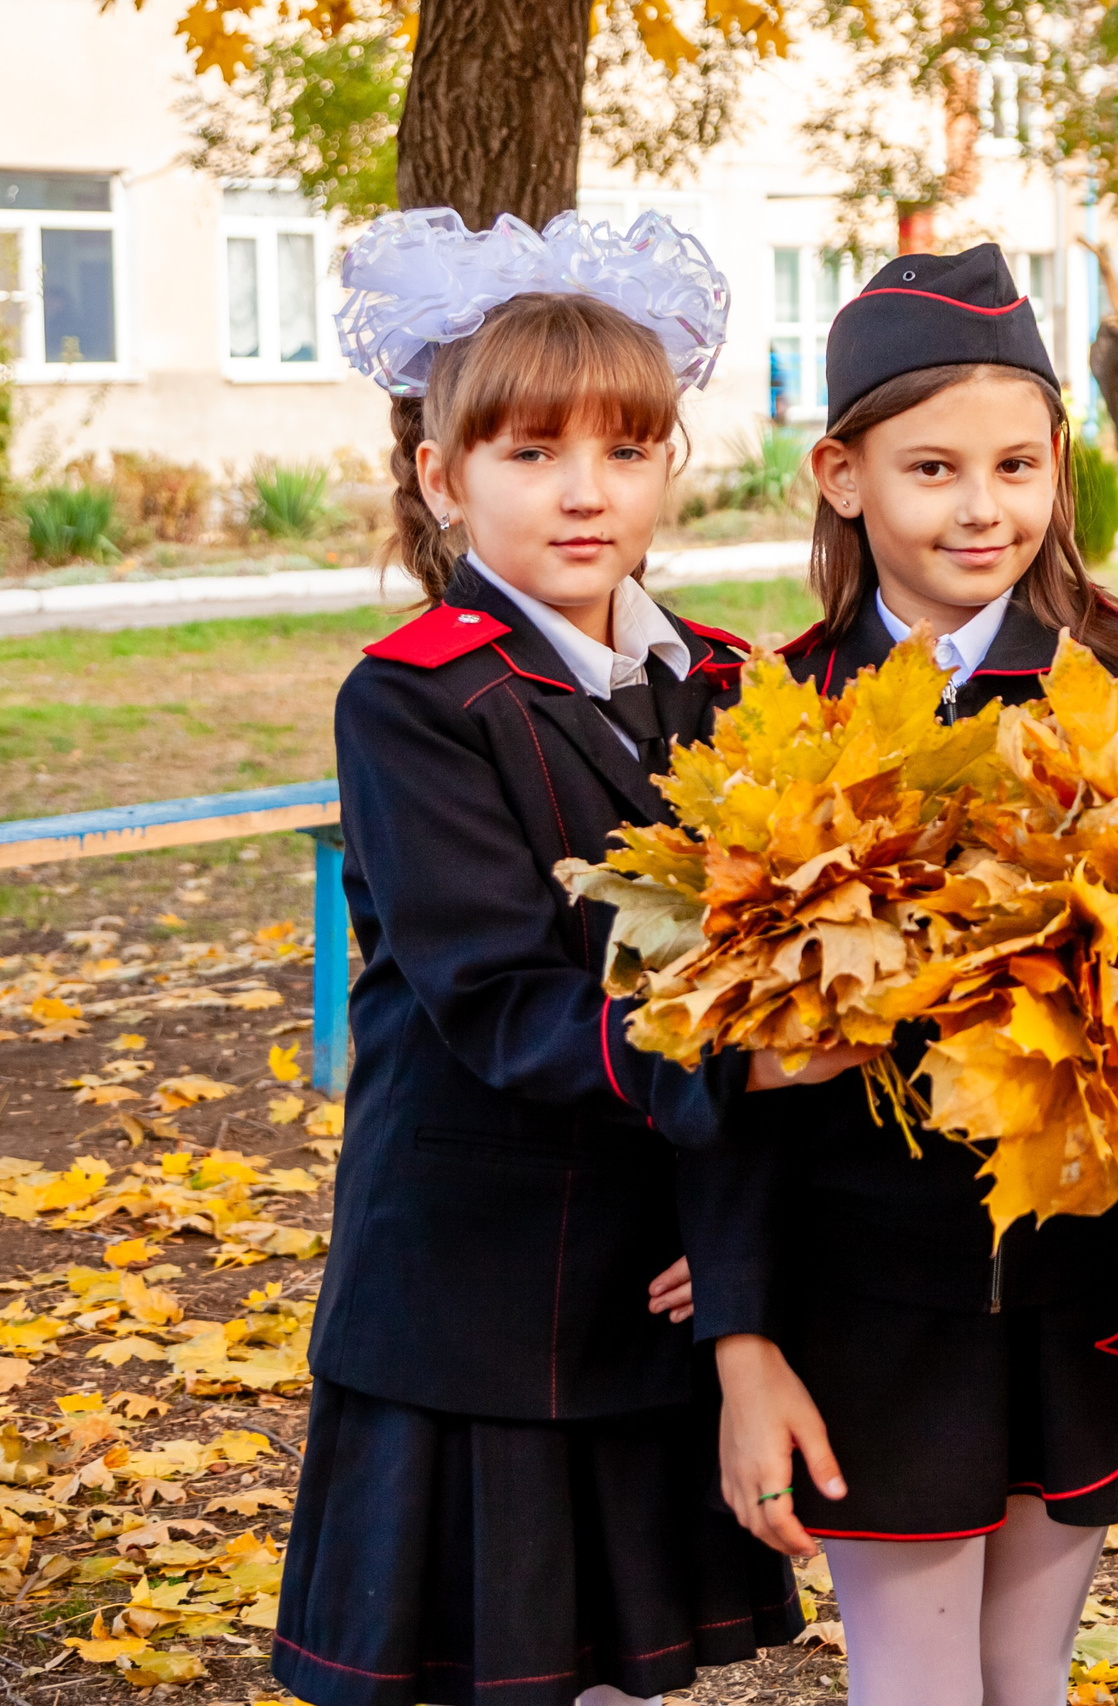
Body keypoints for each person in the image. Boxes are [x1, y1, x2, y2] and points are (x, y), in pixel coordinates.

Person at [276, 209, 851, 1706]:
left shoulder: (731, 682)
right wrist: (732, 1063)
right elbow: (502, 1001)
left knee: (617, 1665)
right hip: (477, 1282)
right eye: (530, 454)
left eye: (625, 449)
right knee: (495, 1662)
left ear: (671, 463)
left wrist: (733, 1253)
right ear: (441, 476)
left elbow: (771, 953)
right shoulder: (416, 699)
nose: (584, 493)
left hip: (649, 1270)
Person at [694, 244, 1118, 1706]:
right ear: (842, 474)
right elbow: (723, 1038)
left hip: (1084, 1268)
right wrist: (735, 1295)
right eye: (934, 469)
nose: (984, 508)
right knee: (913, 1684)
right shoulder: (770, 705)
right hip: (867, 1287)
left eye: (1017, 465)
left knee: (1027, 1678)